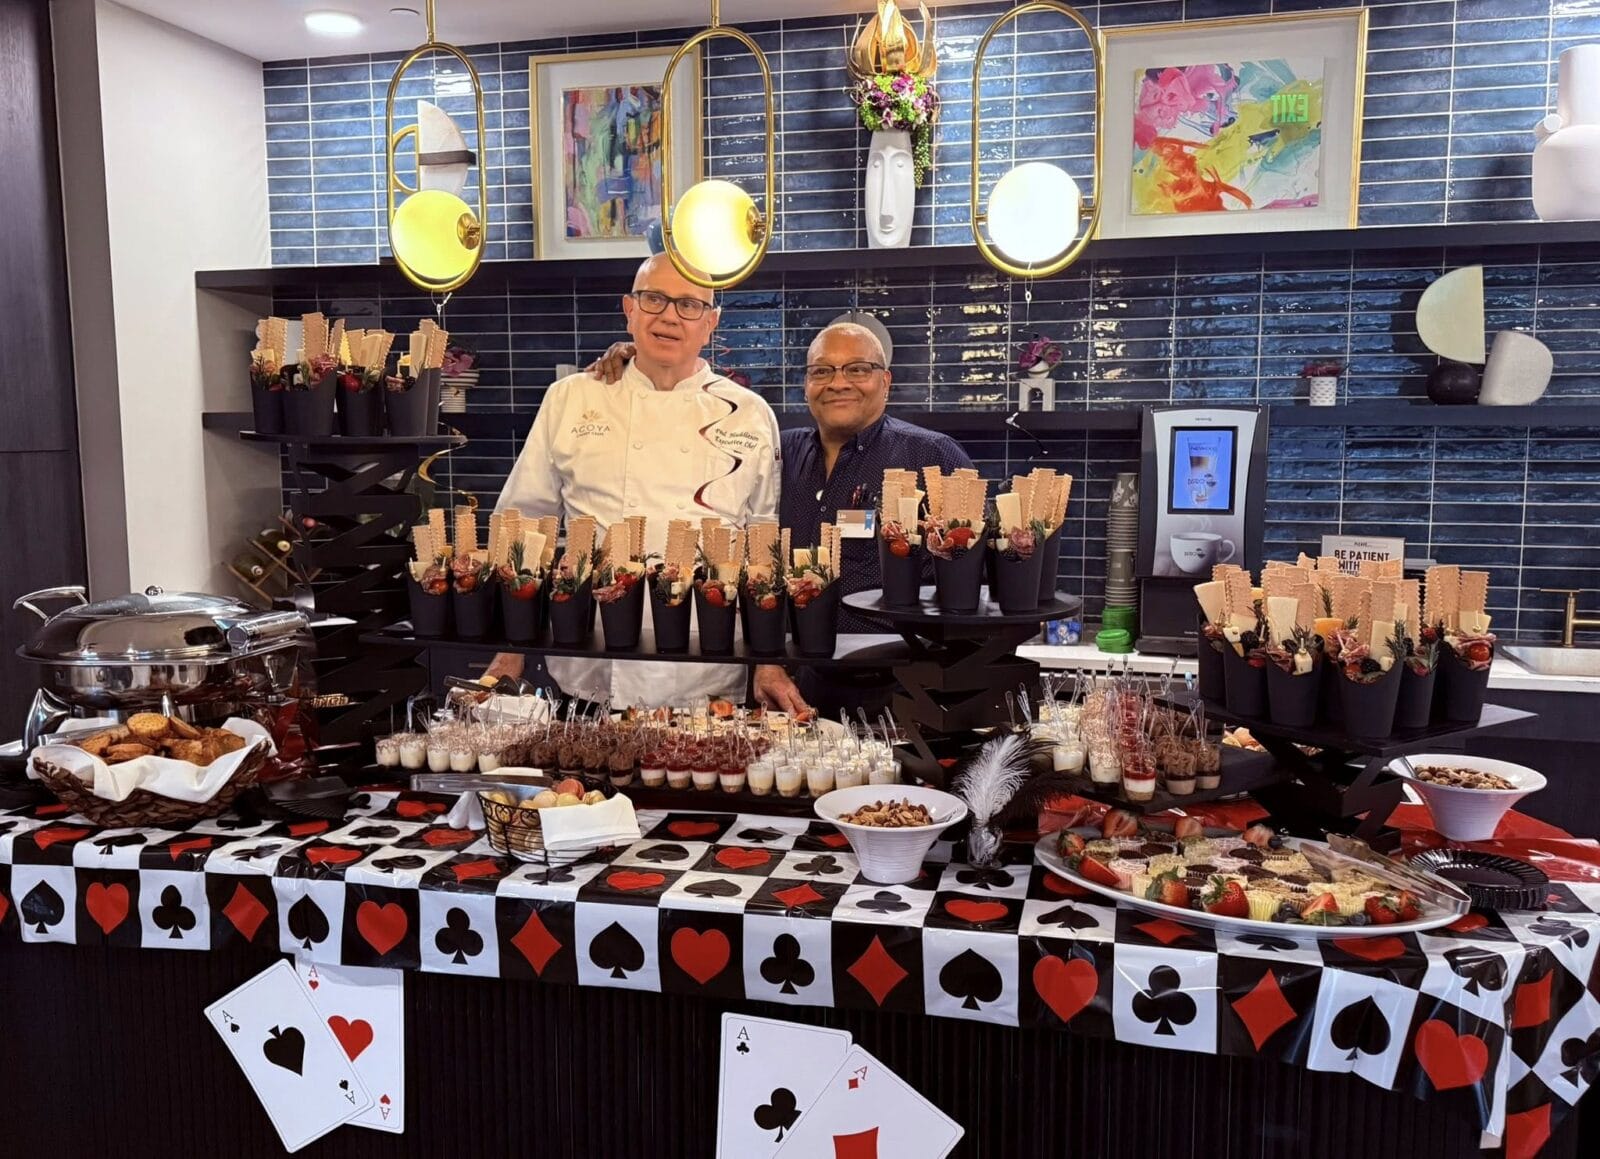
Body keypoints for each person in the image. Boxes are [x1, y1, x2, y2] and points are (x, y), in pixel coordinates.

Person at [587, 321, 972, 716]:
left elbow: (971, 591)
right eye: (822, 371)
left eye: (858, 369)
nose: (838, 382)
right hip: (786, 693)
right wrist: (645, 367)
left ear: (885, 380)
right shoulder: (779, 453)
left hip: (899, 695)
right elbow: (683, 436)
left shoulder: (932, 458)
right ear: (806, 384)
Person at [483, 254, 781, 707]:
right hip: (591, 660)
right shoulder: (571, 398)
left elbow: (765, 547)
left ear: (711, 322)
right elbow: (524, 525)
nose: (669, 316)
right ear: (629, 309)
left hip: (710, 663)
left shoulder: (751, 413)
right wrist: (509, 650)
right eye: (654, 299)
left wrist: (769, 660)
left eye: (689, 305)